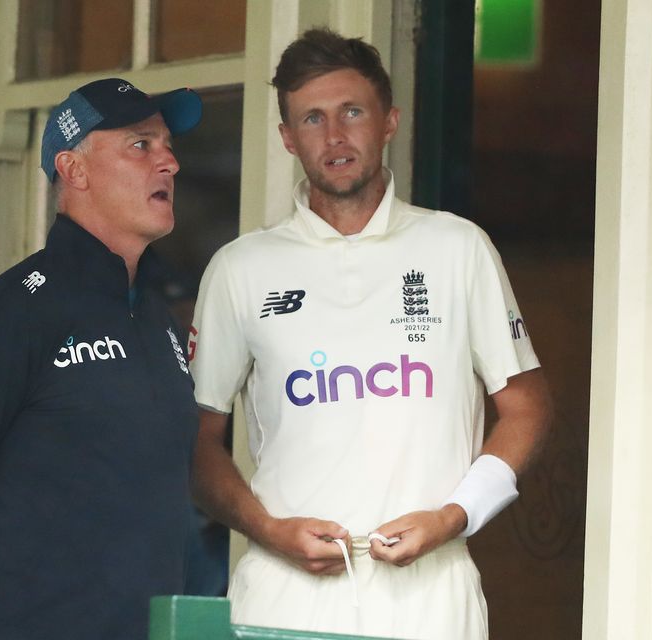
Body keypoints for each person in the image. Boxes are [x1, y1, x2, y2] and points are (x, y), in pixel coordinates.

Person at [188, 28, 552, 639]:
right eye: (312, 118)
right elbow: (197, 444)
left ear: (389, 121)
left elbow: (527, 407)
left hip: (432, 600)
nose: (334, 136)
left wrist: (454, 517)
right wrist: (270, 531)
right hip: (284, 601)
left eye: (352, 112)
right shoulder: (239, 269)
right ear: (286, 137)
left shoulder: (457, 247)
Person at [0, 78, 202, 640]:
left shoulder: (159, 315)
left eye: (167, 144)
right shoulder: (4, 316)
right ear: (74, 169)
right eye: (141, 144)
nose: (170, 162)